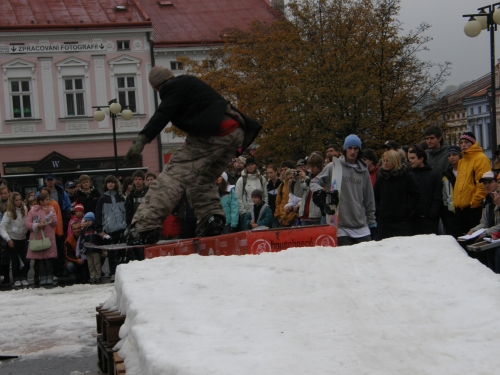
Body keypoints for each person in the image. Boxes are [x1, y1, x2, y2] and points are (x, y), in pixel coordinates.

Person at [124, 66, 261, 244]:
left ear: (157, 87)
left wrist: (143, 138)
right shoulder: (189, 84)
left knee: (172, 177)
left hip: (213, 133)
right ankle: (212, 220)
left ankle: (144, 227)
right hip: (236, 134)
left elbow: (163, 113)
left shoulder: (173, 87)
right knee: (200, 180)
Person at [310, 134, 376, 246]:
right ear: (345, 149)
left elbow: (369, 196)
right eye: (350, 148)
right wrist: (320, 192)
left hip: (360, 224)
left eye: (356, 148)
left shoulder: (363, 170)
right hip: (340, 225)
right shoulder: (334, 166)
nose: (352, 151)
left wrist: (371, 221)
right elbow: (314, 182)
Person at [374, 150, 419, 240]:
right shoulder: (381, 178)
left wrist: (407, 209)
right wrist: (379, 210)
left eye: (388, 160)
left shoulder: (405, 177)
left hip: (402, 221)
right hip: (384, 221)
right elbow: (375, 196)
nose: (385, 163)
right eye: (384, 160)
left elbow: (416, 194)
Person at [453, 132, 491, 236]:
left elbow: (482, 184)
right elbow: (459, 184)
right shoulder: (462, 161)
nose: (463, 145)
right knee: (463, 239)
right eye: (461, 143)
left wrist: (474, 203)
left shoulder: (481, 158)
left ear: (473, 143)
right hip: (460, 208)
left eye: (466, 142)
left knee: (474, 238)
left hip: (473, 208)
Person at [462, 171, 500, 270]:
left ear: (497, 183)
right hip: (492, 237)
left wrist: (485, 232)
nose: (487, 185)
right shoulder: (487, 201)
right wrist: (473, 231)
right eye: (485, 183)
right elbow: (484, 223)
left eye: (490, 182)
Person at [95, 175, 127, 280]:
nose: (110, 184)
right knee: (112, 253)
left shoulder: (120, 197)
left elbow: (125, 212)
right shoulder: (102, 199)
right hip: (109, 229)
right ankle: (113, 272)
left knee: (122, 251)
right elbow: (99, 214)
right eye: (108, 182)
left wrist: (126, 224)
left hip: (121, 228)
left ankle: (123, 272)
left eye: (112, 182)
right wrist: (99, 229)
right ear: (105, 184)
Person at [25, 191, 58, 286]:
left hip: (48, 238)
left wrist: (49, 216)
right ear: (41, 201)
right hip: (37, 239)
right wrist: (37, 225)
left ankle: (49, 276)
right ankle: (42, 277)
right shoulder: (32, 211)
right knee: (40, 261)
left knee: (48, 260)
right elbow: (27, 224)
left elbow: (55, 223)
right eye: (47, 199)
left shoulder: (51, 209)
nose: (49, 201)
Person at [407, 145, 442, 235]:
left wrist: (432, 215)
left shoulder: (433, 175)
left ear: (421, 159)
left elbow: (437, 197)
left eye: (412, 158)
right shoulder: (408, 176)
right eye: (409, 158)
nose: (410, 161)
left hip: (428, 220)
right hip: (412, 219)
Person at [0, 192, 29, 287]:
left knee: (25, 259)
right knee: (15, 260)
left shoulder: (24, 209)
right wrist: (8, 239)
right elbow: (2, 227)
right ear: (12, 201)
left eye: (20, 200)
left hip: (23, 238)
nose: (19, 202)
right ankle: (16, 278)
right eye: (16, 200)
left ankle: (24, 277)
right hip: (13, 238)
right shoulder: (8, 213)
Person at [235, 158, 268, 230]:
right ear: (246, 166)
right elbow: (238, 198)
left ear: (255, 165)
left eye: (252, 164)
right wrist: (243, 213)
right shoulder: (241, 180)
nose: (250, 166)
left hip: (261, 213)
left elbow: (265, 196)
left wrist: (265, 209)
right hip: (247, 214)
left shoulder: (261, 179)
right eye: (248, 165)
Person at [297, 153, 324, 226]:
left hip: (316, 215)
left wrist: (306, 179)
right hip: (304, 213)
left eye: (313, 166)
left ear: (319, 166)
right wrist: (301, 180)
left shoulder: (323, 177)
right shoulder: (309, 176)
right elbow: (301, 191)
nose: (311, 169)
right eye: (310, 166)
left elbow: (317, 189)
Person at [442, 146, 463, 238]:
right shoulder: (446, 174)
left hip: (464, 209)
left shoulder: (464, 172)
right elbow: (445, 193)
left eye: (454, 155)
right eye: (449, 155)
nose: (451, 157)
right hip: (451, 212)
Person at [78, 212, 102, 284]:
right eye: (86, 221)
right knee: (90, 265)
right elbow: (82, 240)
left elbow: (100, 239)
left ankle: (98, 276)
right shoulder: (84, 230)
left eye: (90, 220)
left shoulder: (96, 229)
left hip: (96, 250)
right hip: (88, 251)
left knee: (97, 264)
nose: (88, 222)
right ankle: (92, 277)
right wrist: (81, 248)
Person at [266, 164, 281, 228]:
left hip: (280, 213)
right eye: (268, 173)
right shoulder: (267, 185)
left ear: (276, 172)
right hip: (271, 213)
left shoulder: (281, 183)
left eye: (271, 173)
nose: (269, 175)